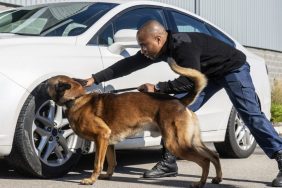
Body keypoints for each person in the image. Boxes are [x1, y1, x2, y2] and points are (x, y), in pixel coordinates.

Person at [77, 20, 282, 187]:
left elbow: (189, 80)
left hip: (232, 69)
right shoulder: (157, 48)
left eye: (144, 45)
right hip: (205, 73)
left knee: (250, 115)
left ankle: (280, 157)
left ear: (158, 39)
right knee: (175, 113)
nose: (142, 50)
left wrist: (157, 88)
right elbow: (128, 64)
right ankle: (169, 161)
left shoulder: (183, 46)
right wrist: (94, 79)